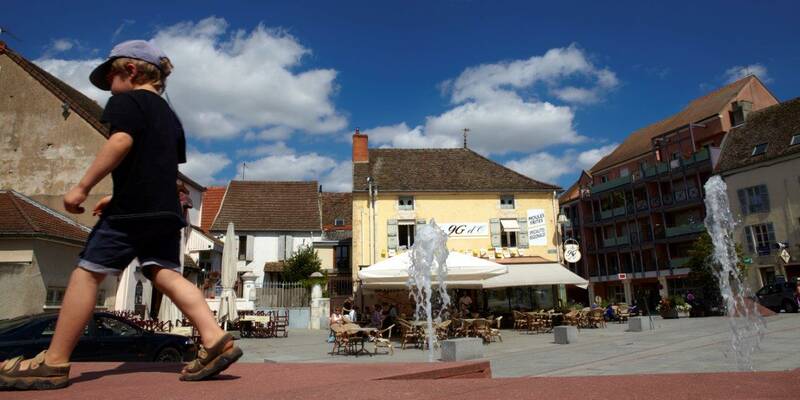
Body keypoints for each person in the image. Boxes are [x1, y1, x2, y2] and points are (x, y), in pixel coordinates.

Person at [0, 40, 242, 390]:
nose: (108, 88)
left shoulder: (126, 101)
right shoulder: (171, 119)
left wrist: (83, 187)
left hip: (132, 213)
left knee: (87, 274)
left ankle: (52, 362)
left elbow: (121, 143)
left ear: (129, 71)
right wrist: (116, 195)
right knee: (164, 273)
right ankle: (214, 336)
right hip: (165, 211)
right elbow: (156, 169)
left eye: (110, 78)